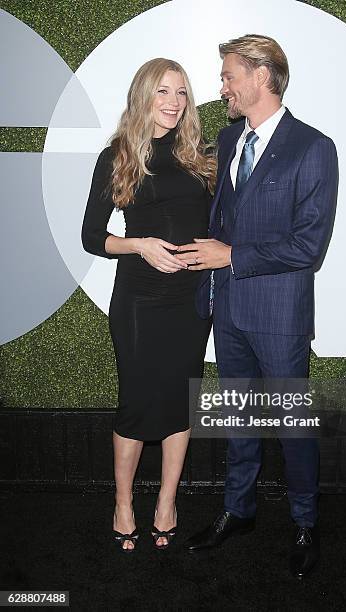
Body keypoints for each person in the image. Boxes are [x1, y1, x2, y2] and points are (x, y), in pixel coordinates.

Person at [175, 34, 338, 578]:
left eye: (228, 76)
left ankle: (305, 523)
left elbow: (308, 246)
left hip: (280, 317)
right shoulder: (226, 137)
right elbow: (221, 215)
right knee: (238, 420)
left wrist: (232, 254)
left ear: (261, 76)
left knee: (293, 426)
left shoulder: (313, 148)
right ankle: (237, 511)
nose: (221, 86)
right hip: (229, 311)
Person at [81, 58, 215, 552]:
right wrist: (140, 244)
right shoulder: (118, 156)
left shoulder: (202, 157)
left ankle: (166, 503)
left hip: (191, 300)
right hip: (138, 300)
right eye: (163, 91)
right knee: (137, 402)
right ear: (143, 96)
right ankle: (122, 503)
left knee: (180, 401)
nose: (174, 102)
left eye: (181, 92)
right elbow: (92, 238)